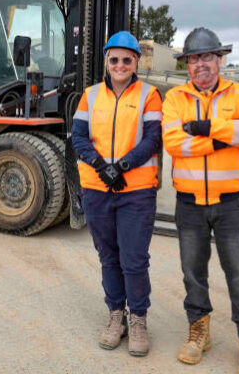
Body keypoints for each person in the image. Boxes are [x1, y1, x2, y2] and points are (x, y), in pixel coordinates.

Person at [161, 27, 239, 374]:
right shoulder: (175, 99)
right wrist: (225, 137)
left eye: (206, 56)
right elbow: (174, 144)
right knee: (193, 273)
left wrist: (205, 127)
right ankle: (199, 332)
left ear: (220, 59)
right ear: (186, 65)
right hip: (189, 203)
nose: (200, 64)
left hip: (231, 203)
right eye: (193, 59)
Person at [71, 30, 162, 357]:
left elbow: (152, 140)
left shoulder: (149, 95)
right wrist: (100, 165)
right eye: (114, 60)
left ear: (136, 62)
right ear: (107, 62)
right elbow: (78, 137)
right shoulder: (90, 95)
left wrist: (120, 166)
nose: (120, 65)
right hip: (97, 189)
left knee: (134, 259)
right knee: (108, 256)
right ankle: (115, 316)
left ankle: (137, 319)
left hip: (135, 191)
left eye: (127, 59)